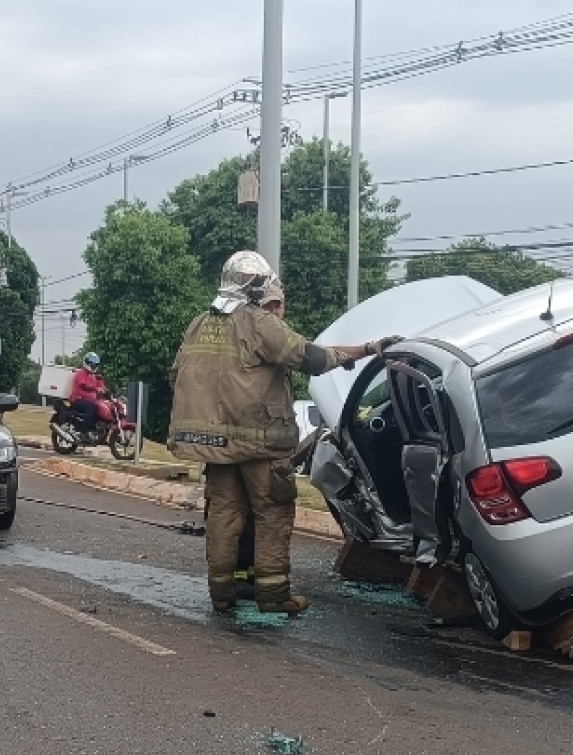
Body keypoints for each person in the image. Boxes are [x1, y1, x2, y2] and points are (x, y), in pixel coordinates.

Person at [168, 250, 400, 615]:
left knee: (224, 516)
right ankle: (274, 596)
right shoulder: (257, 321)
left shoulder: (199, 323)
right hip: (260, 443)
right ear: (258, 287)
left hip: (217, 446)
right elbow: (311, 358)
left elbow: (177, 375)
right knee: (273, 513)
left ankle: (222, 594)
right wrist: (367, 350)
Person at [71, 352, 106, 444]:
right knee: (91, 407)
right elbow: (83, 385)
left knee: (102, 408)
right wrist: (96, 389)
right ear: (86, 363)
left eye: (95, 365)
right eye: (92, 364)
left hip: (90, 401)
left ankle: (99, 433)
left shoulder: (94, 376)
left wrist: (104, 390)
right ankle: (83, 432)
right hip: (78, 400)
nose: (93, 366)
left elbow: (102, 387)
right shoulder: (81, 373)